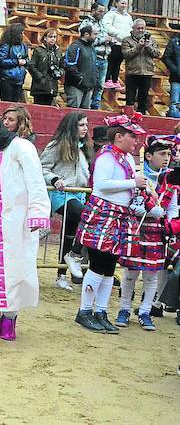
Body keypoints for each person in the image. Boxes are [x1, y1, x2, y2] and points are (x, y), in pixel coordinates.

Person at [0, 102, 50, 341]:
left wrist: (38, 212)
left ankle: (11, 317)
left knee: (14, 267)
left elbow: (36, 181)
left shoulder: (20, 146)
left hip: (15, 221)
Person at [74, 113, 146, 334]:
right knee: (98, 263)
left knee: (109, 266)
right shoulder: (106, 156)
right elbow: (102, 185)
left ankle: (101, 311)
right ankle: (85, 310)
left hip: (118, 215)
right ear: (119, 137)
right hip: (104, 213)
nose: (136, 141)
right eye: (132, 136)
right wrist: (133, 182)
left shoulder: (123, 158)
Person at [116, 136, 177, 331]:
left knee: (151, 275)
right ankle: (124, 308)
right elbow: (129, 202)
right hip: (136, 229)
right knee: (130, 273)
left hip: (157, 232)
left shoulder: (171, 180)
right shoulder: (138, 175)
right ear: (148, 156)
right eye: (162, 154)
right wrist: (143, 210)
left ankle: (145, 311)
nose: (166, 158)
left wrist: (167, 223)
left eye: (168, 154)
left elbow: (173, 210)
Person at [39, 112, 92, 290]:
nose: (85, 128)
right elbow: (42, 167)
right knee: (86, 215)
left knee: (69, 235)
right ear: (72, 127)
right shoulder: (56, 145)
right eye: (81, 125)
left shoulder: (85, 147)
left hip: (79, 193)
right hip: (61, 194)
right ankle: (74, 254)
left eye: (86, 124)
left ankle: (61, 275)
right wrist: (54, 179)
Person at [122, 18, 162, 114]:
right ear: (133, 28)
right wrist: (139, 46)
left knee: (143, 98)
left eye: (142, 28)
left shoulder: (151, 40)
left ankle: (141, 116)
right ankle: (127, 116)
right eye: (138, 28)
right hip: (132, 73)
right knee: (130, 98)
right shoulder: (126, 40)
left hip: (147, 73)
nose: (141, 30)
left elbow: (157, 54)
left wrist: (148, 47)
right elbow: (126, 54)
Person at [80, 3, 112, 109]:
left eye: (103, 12)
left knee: (100, 86)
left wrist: (110, 41)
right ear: (93, 11)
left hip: (104, 58)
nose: (102, 14)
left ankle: (96, 106)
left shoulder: (102, 23)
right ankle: (88, 106)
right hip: (93, 58)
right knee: (90, 84)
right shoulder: (86, 23)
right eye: (100, 11)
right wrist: (104, 40)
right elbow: (86, 41)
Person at [64, 24, 98, 108]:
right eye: (94, 34)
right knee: (73, 110)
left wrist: (94, 79)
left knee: (85, 112)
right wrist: (79, 78)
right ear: (86, 34)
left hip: (89, 86)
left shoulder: (92, 48)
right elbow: (70, 65)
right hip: (76, 86)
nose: (96, 37)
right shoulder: (75, 46)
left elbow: (94, 65)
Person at [101, 0, 132, 91]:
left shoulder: (128, 17)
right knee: (111, 61)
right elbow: (107, 25)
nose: (124, 5)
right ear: (116, 4)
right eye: (122, 3)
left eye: (125, 4)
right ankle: (108, 79)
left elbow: (130, 27)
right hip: (114, 42)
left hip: (124, 43)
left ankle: (115, 79)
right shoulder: (111, 14)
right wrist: (117, 33)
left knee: (118, 62)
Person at [28, 28, 63, 106]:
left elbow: (62, 66)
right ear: (45, 38)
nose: (53, 39)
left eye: (54, 37)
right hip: (40, 86)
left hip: (52, 85)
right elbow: (32, 66)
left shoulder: (58, 52)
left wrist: (60, 72)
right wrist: (40, 77)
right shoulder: (38, 50)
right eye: (50, 37)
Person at [0, 23, 30, 103]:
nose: (23, 35)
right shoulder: (6, 45)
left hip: (19, 80)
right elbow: (1, 61)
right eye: (21, 33)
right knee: (6, 103)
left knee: (16, 103)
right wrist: (16, 62)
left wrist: (25, 62)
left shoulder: (23, 46)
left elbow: (27, 59)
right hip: (7, 79)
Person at [164, 25, 180, 117]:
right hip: (176, 78)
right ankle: (174, 124)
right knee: (175, 102)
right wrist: (175, 70)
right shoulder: (174, 42)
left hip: (176, 77)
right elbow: (166, 57)